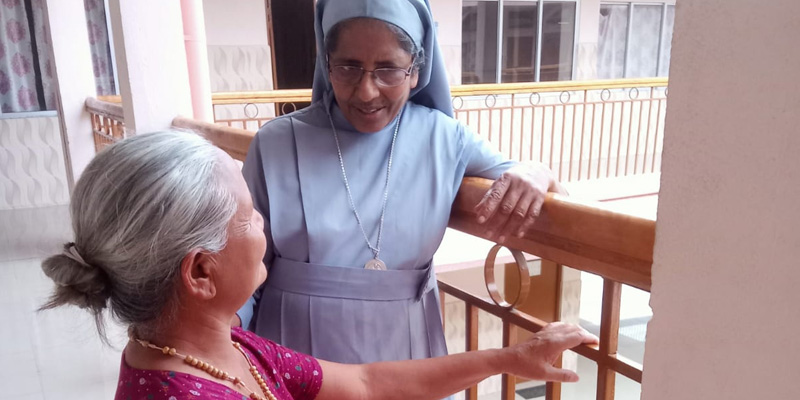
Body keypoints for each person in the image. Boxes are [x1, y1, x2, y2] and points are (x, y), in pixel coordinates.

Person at [40, 131, 596, 400]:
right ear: (201, 273)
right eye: (250, 215)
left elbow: (367, 381)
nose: (266, 225)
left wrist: (510, 358)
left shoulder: (218, 346)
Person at [238, 0, 567, 366]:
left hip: (404, 350)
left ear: (415, 71)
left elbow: (552, 192)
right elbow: (240, 267)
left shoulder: (445, 139)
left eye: (388, 70)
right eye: (348, 68)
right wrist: (221, 345)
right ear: (327, 65)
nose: (367, 91)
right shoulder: (275, 143)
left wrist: (538, 171)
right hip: (291, 354)